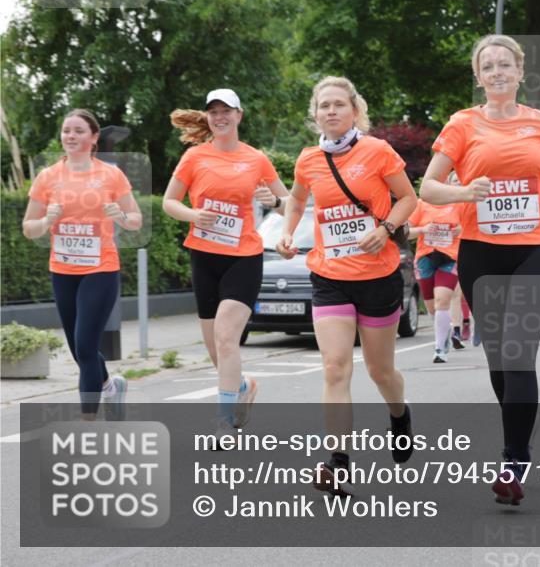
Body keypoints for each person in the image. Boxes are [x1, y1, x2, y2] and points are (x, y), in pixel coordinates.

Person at [420, 34, 540, 506]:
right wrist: (464, 193)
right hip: (481, 251)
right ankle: (518, 436)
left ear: (521, 72)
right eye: (489, 66)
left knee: (519, 353)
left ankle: (514, 460)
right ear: (478, 77)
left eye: (506, 64)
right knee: (500, 359)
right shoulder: (462, 124)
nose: (498, 72)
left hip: (538, 246)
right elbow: (428, 187)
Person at [275, 76, 417, 495]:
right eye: (324, 105)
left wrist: (385, 228)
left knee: (380, 371)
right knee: (335, 366)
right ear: (315, 114)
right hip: (329, 276)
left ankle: (399, 414)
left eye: (339, 104)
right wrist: (287, 233)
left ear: (355, 111)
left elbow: (409, 198)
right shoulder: (308, 159)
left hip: (377, 276)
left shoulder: (377, 151)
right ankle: (337, 462)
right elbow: (297, 200)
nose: (331, 111)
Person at [164, 89, 289, 436]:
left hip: (243, 258)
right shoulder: (194, 157)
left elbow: (289, 204)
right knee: (216, 346)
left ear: (239, 115)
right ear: (208, 117)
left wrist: (273, 199)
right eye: (214, 112)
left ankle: (224, 420)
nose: (220, 117)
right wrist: (193, 215)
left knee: (225, 335)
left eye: (226, 111)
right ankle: (243, 387)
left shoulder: (256, 159)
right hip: (204, 256)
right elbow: (169, 202)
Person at [23, 109, 143, 419]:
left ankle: (87, 422)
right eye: (66, 131)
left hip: (100, 269)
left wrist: (121, 216)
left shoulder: (111, 175)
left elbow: (136, 219)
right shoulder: (48, 176)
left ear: (93, 137)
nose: (71, 136)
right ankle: (110, 386)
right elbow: (28, 228)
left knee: (86, 345)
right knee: (78, 349)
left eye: (78, 131)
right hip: (62, 271)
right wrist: (46, 221)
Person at [408, 187, 464, 363]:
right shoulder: (420, 205)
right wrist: (423, 229)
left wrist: (460, 230)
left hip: (450, 257)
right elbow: (406, 233)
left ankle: (439, 349)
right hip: (425, 258)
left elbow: (473, 228)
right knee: (432, 308)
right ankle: (444, 332)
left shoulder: (458, 204)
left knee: (442, 300)